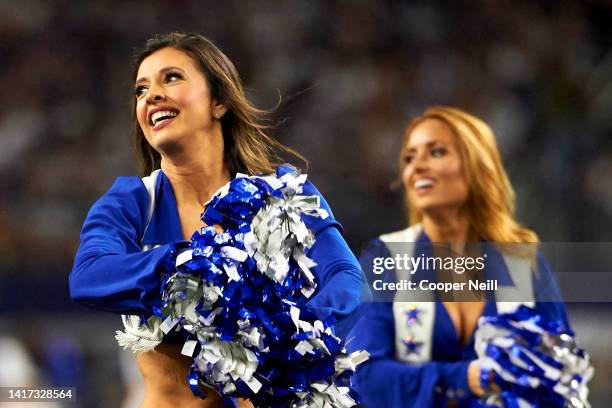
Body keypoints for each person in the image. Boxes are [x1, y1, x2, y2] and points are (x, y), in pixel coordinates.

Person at [69, 32, 365, 408]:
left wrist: (296, 327)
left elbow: (346, 276)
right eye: (141, 90)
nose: (151, 95)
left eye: (171, 78)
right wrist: (199, 264)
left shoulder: (283, 195)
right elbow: (88, 276)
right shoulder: (132, 203)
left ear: (220, 101)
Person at [347, 106, 570, 407]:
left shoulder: (523, 264)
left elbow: (561, 375)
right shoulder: (385, 258)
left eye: (436, 152)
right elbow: (361, 375)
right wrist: (462, 378)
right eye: (410, 158)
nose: (417, 167)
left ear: (476, 166)